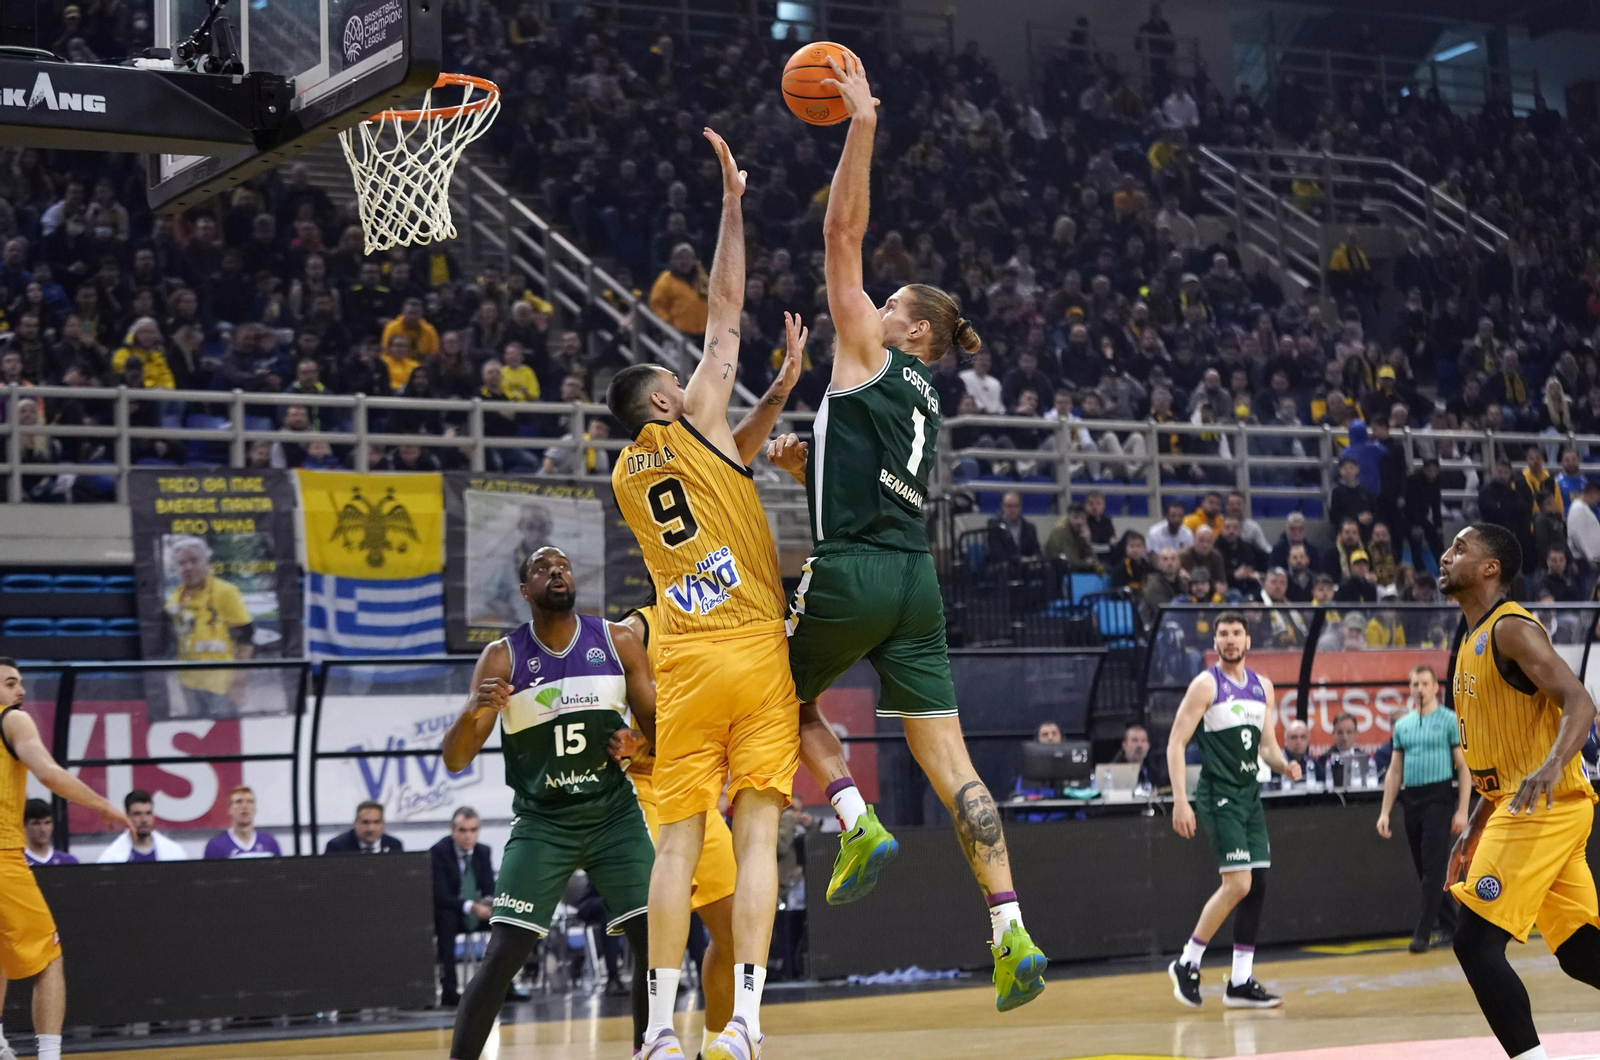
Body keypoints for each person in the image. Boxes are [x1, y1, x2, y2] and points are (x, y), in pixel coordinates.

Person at [763, 55, 1047, 1017]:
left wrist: (862, 124)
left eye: (889, 307)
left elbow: (841, 230)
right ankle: (1010, 929)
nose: (870, 305)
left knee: (769, 692)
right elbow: (879, 474)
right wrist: (810, 467)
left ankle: (852, 818)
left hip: (850, 572)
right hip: (914, 580)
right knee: (957, 767)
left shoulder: (872, 348)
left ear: (912, 331)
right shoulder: (926, 394)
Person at [604, 128, 809, 1060]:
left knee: (676, 847)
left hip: (684, 658)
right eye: (670, 380)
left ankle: (653, 1031)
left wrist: (772, 395)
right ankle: (746, 1027)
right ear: (661, 403)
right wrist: (732, 203)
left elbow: (734, 454)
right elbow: (725, 309)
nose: (683, 381)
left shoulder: (625, 475)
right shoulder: (693, 421)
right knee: (759, 831)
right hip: (755, 651)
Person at [440, 547, 655, 1057]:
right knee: (503, 954)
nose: (556, 572)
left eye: (563, 566)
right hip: (544, 821)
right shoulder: (502, 656)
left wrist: (641, 745)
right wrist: (472, 710)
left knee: (656, 940)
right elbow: (455, 760)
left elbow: (661, 730)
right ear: (524, 591)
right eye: (542, 568)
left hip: (613, 816)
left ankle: (651, 1052)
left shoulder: (618, 639)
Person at [1438, 523, 1600, 1060]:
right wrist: (1478, 821)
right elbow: (1504, 753)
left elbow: (1580, 701)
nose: (1446, 555)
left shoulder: (1510, 628)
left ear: (1490, 568)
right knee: (1581, 952)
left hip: (1542, 806)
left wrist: (1555, 763)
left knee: (1474, 943)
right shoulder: (1469, 637)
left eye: (1460, 548)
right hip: (1529, 803)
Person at [616, 602, 739, 1055]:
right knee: (655, 941)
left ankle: (713, 1048)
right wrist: (622, 736)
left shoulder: (718, 624)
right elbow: (603, 707)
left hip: (699, 791)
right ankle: (650, 1046)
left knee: (733, 933)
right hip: (644, 789)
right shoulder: (637, 629)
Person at [1166, 612, 1300, 1009]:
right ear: (1216, 643)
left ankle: (1240, 981)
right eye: (1223, 634)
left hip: (1249, 796)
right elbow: (1175, 743)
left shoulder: (1263, 687)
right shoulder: (1205, 684)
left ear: (1247, 641)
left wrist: (1285, 764)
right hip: (1218, 794)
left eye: (1236, 633)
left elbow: (1268, 746)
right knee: (1238, 884)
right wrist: (1180, 800)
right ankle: (1187, 962)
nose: (1229, 640)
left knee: (1256, 886)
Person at [0, 660, 132, 1060]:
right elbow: (50, 774)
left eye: (20, 683)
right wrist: (103, 805)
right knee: (49, 957)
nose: (20, 691)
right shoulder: (14, 720)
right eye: (9, 683)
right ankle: (49, 1054)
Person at [1376, 665, 1471, 953]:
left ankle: (1422, 933)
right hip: (1412, 799)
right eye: (1415, 683)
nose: (1419, 688)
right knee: (1426, 869)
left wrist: (1462, 809)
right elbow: (1394, 771)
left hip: (1439, 797)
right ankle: (1451, 927)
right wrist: (1385, 812)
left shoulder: (1448, 721)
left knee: (1432, 868)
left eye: (1425, 683)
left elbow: (1464, 767)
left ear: (1435, 688)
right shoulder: (1402, 725)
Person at [163, 536, 254, 717]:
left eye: (194, 560)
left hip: (221, 683)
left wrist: (239, 682)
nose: (188, 567)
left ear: (206, 560)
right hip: (189, 682)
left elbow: (246, 637)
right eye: (182, 563)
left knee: (224, 736)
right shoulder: (175, 599)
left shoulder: (225, 592)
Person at [430, 807, 497, 1007]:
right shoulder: (439, 852)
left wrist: (488, 904)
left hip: (477, 911)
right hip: (452, 911)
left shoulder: (483, 851)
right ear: (453, 831)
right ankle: (449, 990)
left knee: (504, 921)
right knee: (447, 918)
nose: (468, 836)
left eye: (473, 830)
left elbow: (489, 888)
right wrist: (470, 907)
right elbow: (440, 896)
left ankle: (504, 987)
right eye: (462, 830)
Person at [96, 790, 188, 862]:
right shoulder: (111, 856)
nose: (144, 820)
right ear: (126, 817)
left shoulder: (174, 852)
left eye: (148, 813)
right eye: (137, 814)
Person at [202, 784, 280, 859]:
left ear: (255, 809)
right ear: (229, 809)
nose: (244, 806)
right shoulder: (216, 846)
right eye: (238, 802)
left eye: (249, 801)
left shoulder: (270, 843)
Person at [324, 800, 404, 854]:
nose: (371, 828)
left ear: (383, 824)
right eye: (365, 822)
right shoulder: (337, 846)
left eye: (376, 822)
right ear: (355, 823)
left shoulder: (394, 845)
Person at [988, 491, 1042, 567]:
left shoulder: (1029, 527)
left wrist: (1034, 559)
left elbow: (1036, 550)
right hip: (1003, 567)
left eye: (1015, 506)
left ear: (1020, 507)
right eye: (1009, 506)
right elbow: (997, 552)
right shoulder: (994, 525)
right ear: (1003, 507)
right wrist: (1019, 559)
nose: (1012, 510)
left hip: (1026, 568)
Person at [21, 799, 77, 866]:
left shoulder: (68, 861)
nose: (43, 829)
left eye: (47, 823)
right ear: (24, 826)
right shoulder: (18, 862)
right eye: (36, 823)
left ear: (53, 825)